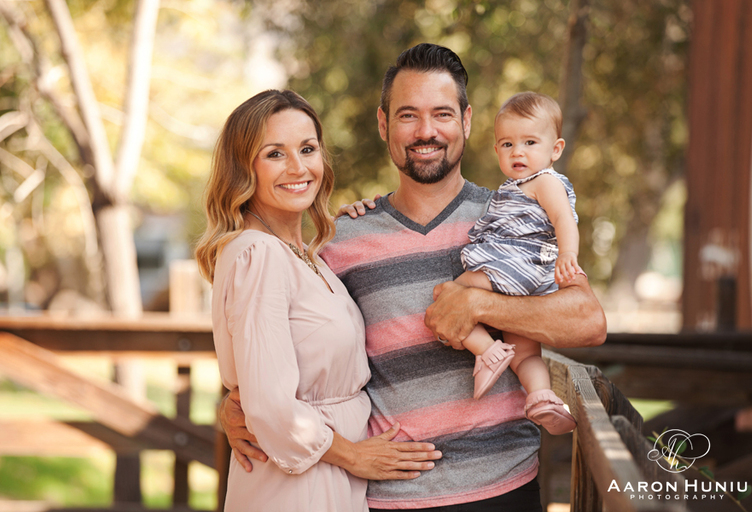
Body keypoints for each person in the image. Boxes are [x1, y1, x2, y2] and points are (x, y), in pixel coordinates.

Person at [220, 45, 606, 511]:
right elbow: (286, 346)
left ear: (466, 121)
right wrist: (237, 405)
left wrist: (480, 304)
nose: (426, 131)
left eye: (442, 114)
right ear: (384, 125)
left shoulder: (517, 217)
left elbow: (588, 321)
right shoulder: (339, 241)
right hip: (388, 496)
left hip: (505, 490)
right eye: (408, 115)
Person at [196, 89, 441, 512]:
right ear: (243, 167)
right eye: (275, 154)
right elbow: (269, 404)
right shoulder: (258, 254)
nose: (298, 167)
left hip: (329, 475)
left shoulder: (307, 256)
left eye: (307, 149)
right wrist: (355, 456)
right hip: (298, 484)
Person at [452, 92, 580, 437]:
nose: (517, 152)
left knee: (448, 295)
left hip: (515, 267)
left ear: (555, 149)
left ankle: (488, 351)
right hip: (532, 279)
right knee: (526, 354)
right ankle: (541, 397)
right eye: (507, 144)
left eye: (529, 142)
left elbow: (564, 219)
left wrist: (568, 254)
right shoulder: (518, 186)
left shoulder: (545, 181)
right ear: (496, 150)